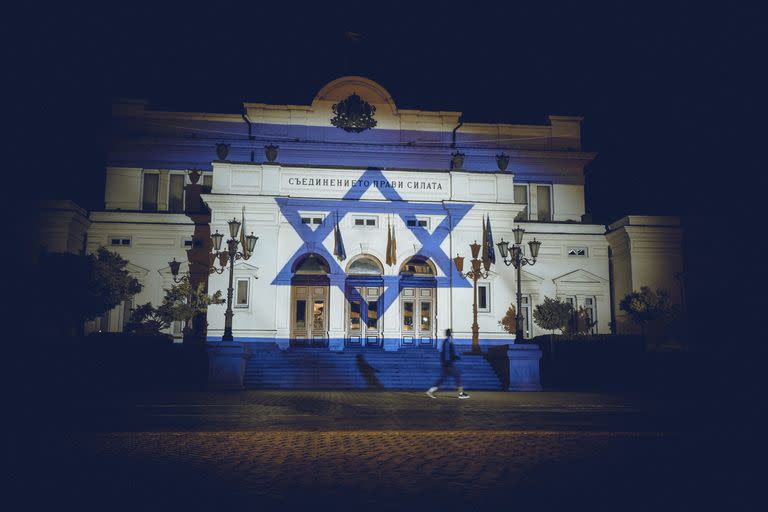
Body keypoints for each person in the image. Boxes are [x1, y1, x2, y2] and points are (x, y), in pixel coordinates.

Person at [427, 329, 470, 399]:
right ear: (449, 334)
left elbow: (448, 353)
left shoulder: (447, 341)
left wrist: (455, 357)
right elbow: (447, 354)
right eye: (451, 333)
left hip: (447, 363)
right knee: (457, 376)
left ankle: (430, 391)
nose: (452, 334)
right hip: (448, 364)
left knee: (443, 379)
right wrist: (449, 361)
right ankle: (461, 393)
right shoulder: (447, 342)